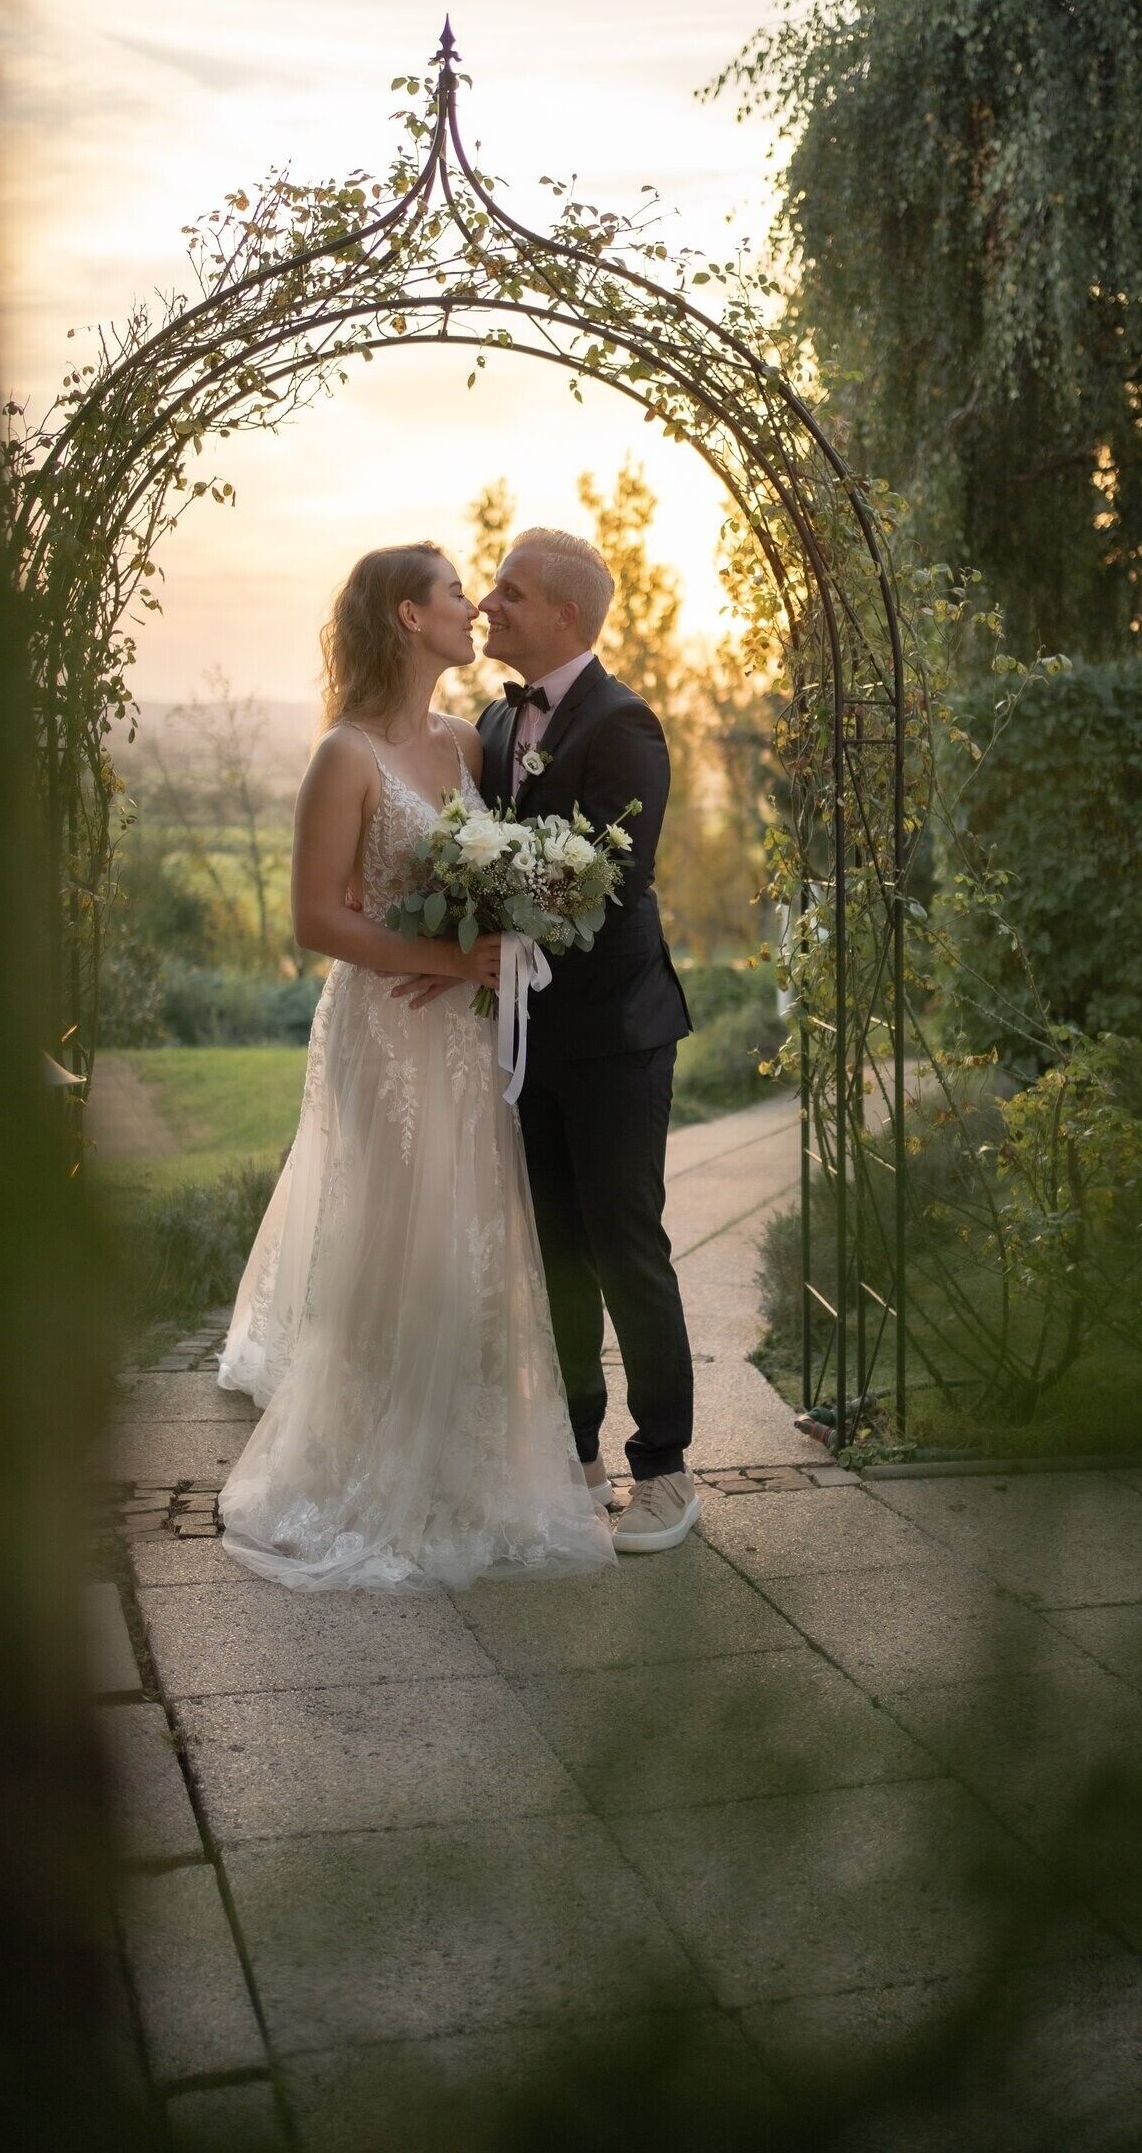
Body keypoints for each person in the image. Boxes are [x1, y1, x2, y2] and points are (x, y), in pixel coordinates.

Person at [215, 542, 614, 1591]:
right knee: (401, 1238)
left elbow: (492, 879)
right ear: (406, 615)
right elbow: (316, 919)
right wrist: (446, 959)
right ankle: (371, 1460)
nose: (473, 608)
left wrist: (504, 929)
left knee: (471, 1239)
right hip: (387, 1027)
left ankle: (465, 1462)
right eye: (455, 593)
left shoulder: (467, 745)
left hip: (466, 1035)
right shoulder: (343, 756)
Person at [473, 528, 699, 1551]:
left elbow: (610, 883)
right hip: (526, 1036)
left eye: (509, 593)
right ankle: (577, 1455)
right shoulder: (492, 718)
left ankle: (666, 1473)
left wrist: (483, 881)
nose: (489, 605)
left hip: (616, 1034)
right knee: (556, 1253)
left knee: (625, 1247)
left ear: (564, 615)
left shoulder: (624, 724)